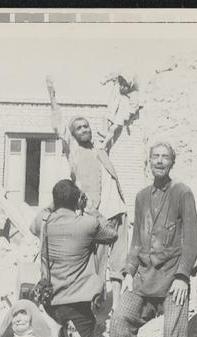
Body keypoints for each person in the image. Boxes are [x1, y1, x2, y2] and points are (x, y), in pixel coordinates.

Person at [109, 142, 197, 337]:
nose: (160, 161)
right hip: (144, 277)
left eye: (165, 157)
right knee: (119, 320)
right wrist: (128, 271)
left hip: (173, 277)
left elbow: (193, 239)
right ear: (148, 162)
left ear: (172, 163)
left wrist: (183, 276)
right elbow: (136, 240)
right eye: (155, 157)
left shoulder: (183, 193)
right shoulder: (141, 197)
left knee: (174, 331)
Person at [29, 179, 117, 337]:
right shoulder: (87, 224)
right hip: (79, 302)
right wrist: (89, 209)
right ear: (77, 199)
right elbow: (111, 234)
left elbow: (33, 225)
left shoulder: (44, 222)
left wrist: (55, 203)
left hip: (52, 302)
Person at [46, 75, 130, 315]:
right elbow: (58, 125)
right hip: (97, 214)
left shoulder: (101, 150)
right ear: (74, 134)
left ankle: (116, 306)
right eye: (79, 128)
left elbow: (114, 124)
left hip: (119, 211)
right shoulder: (73, 151)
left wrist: (119, 91)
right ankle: (95, 306)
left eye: (86, 126)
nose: (84, 130)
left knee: (119, 261)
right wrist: (52, 97)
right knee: (98, 262)